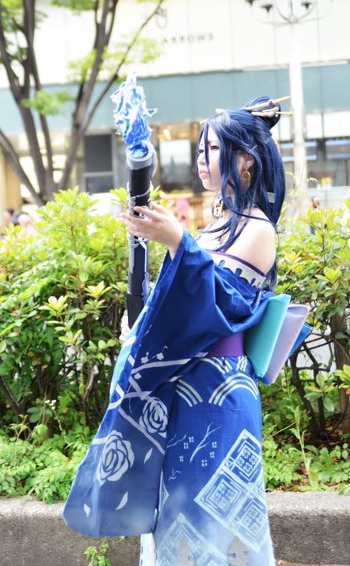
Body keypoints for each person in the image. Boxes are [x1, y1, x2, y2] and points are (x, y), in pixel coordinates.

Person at [63, 96, 289, 566]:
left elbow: (224, 303)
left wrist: (177, 242)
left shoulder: (258, 229)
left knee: (219, 513)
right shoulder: (216, 227)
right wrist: (143, 313)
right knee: (175, 509)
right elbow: (183, 297)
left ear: (246, 159)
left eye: (213, 149)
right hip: (187, 388)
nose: (201, 159)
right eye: (200, 149)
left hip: (221, 391)